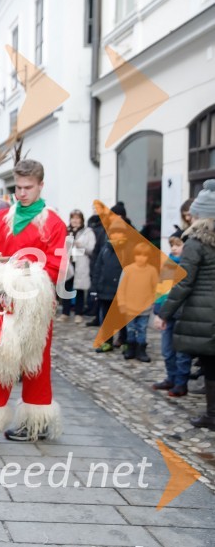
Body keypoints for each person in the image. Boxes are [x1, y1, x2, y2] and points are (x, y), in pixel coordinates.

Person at [0, 159, 68, 446]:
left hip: (36, 304)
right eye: (18, 188)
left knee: (36, 362)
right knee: (3, 355)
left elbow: (58, 265)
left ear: (41, 186)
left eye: (28, 188)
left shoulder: (54, 224)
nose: (21, 193)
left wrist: (29, 271)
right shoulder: (2, 218)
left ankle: (37, 423)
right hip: (5, 303)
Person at [155, 179, 215, 430]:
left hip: (203, 312)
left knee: (210, 366)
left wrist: (164, 313)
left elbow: (183, 282)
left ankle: (212, 415)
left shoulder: (196, 243)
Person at [152, 237, 192, 396]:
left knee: (181, 351)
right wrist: (159, 311)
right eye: (172, 245)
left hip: (182, 313)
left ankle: (181, 382)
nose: (174, 248)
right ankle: (171, 377)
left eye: (178, 245)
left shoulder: (189, 265)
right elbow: (161, 290)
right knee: (167, 349)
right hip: (167, 313)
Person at [90, 217, 127, 352]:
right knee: (106, 318)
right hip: (104, 290)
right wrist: (94, 288)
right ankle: (108, 341)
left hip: (121, 291)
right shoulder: (105, 249)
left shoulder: (126, 250)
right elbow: (98, 269)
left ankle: (124, 340)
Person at [118, 242, 159, 361]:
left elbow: (155, 288)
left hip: (145, 308)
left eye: (144, 255)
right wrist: (122, 303)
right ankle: (131, 348)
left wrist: (152, 302)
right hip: (129, 308)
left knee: (142, 329)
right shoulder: (128, 270)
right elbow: (121, 288)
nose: (141, 258)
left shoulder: (152, 271)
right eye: (138, 255)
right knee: (130, 329)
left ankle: (141, 350)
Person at [60, 209, 95, 323]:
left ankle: (78, 313)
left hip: (81, 263)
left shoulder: (87, 232)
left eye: (77, 218)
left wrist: (79, 244)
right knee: (66, 287)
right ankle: (65, 312)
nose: (75, 221)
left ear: (81, 220)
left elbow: (91, 249)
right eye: (73, 218)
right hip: (68, 263)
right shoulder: (66, 231)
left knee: (79, 289)